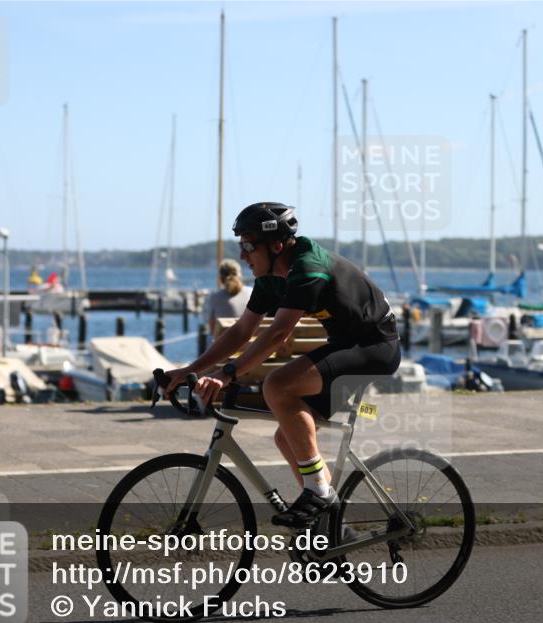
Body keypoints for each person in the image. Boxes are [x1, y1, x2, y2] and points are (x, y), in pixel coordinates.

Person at [165, 202, 400, 528]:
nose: (243, 255)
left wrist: (228, 373)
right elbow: (242, 331)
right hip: (346, 345)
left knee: (277, 385)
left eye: (249, 246)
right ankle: (332, 529)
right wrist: (193, 369)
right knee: (286, 437)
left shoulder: (306, 267)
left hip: (375, 348)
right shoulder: (271, 276)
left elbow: (278, 333)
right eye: (240, 246)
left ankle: (318, 491)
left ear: (277, 245)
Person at [205, 259, 251, 338]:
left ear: (221, 278)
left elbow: (212, 330)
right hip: (252, 347)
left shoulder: (214, 297)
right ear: (240, 275)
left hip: (225, 348)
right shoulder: (252, 292)